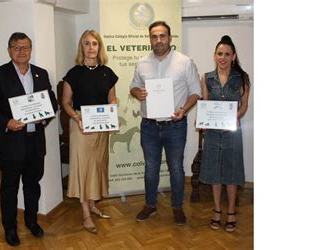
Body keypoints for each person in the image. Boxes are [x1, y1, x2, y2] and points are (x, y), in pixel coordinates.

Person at [0, 32, 58, 246]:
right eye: (17, 47)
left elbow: (51, 102)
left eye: (25, 47)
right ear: (9, 50)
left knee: (33, 185)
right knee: (9, 188)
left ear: (31, 50)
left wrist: (44, 119)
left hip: (35, 142)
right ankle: (10, 228)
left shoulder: (41, 74)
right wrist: (6, 122)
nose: (22, 51)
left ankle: (32, 222)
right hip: (11, 143)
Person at [130, 21, 201, 225]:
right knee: (150, 167)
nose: (158, 40)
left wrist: (184, 110)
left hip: (175, 125)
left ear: (170, 38)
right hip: (149, 126)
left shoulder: (185, 62)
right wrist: (138, 92)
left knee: (176, 168)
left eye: (162, 36)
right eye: (154, 36)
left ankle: (177, 207)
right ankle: (150, 205)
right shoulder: (142, 62)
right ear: (150, 39)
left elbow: (196, 91)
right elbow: (133, 87)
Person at [61, 30, 118, 234]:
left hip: (101, 127)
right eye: (87, 43)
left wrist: (112, 109)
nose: (91, 47)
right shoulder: (73, 73)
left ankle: (93, 205)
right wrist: (77, 118)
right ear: (82, 47)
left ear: (99, 47)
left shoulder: (107, 72)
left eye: (95, 43)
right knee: (83, 169)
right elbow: (65, 103)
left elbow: (112, 98)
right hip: (81, 127)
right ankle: (85, 214)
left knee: (98, 166)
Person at [198, 35, 251, 233]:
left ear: (233, 56)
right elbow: (204, 103)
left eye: (227, 54)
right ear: (214, 55)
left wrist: (234, 116)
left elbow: (244, 106)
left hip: (231, 131)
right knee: (214, 171)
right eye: (220, 53)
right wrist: (201, 119)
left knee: (231, 171)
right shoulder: (206, 78)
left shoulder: (242, 78)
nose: (223, 57)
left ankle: (230, 211)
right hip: (212, 133)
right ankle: (217, 210)